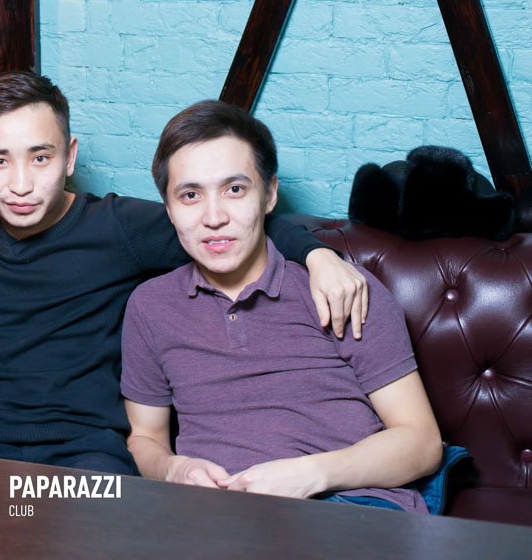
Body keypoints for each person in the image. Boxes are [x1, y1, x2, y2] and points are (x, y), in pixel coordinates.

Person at [0, 71, 369, 474]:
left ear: (69, 157)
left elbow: (230, 225)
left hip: (86, 451)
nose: (21, 184)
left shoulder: (118, 227)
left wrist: (317, 255)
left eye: (40, 158)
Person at [122, 100, 443, 511]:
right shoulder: (150, 306)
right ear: (168, 208)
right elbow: (145, 437)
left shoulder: (339, 290)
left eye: (234, 189)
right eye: (190, 195)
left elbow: (422, 443)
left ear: (269, 194)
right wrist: (173, 469)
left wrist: (310, 474)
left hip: (346, 506)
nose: (213, 217)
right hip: (212, 516)